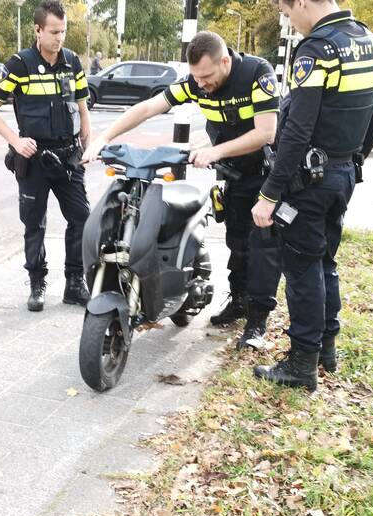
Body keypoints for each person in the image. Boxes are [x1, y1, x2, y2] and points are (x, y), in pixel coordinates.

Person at [83, 31, 280, 349]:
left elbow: (267, 133)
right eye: (196, 77)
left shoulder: (257, 74)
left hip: (266, 175)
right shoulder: (195, 81)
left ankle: (257, 322)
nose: (200, 84)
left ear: (225, 61)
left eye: (207, 76)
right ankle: (240, 302)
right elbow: (148, 108)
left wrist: (215, 152)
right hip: (235, 175)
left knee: (263, 250)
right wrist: (103, 138)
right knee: (238, 244)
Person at [251, 0, 373, 391]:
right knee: (325, 260)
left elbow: (296, 130)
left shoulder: (316, 50)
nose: (287, 18)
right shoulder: (367, 40)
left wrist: (270, 193)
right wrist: (354, 159)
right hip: (341, 173)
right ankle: (326, 348)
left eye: (286, 9)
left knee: (301, 267)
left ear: (304, 3)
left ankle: (302, 363)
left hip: (308, 182)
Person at [0, 1, 92, 312]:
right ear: (38, 30)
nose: (59, 38)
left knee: (82, 218)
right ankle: (37, 282)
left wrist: (88, 140)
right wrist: (16, 141)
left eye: (63, 32)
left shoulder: (72, 61)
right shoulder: (20, 64)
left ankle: (74, 282)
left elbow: (82, 105)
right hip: (35, 159)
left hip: (69, 157)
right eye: (54, 32)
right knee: (34, 223)